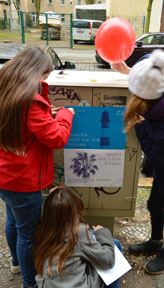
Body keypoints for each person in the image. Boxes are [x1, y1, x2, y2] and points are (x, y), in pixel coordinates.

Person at [0, 47, 74, 288]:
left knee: (13, 220)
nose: (45, 80)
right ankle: (30, 283)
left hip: (5, 175)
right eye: (44, 75)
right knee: (28, 235)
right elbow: (57, 138)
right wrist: (65, 114)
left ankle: (15, 263)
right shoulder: (30, 101)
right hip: (24, 180)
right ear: (35, 72)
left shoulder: (7, 90)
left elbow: (23, 126)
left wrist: (45, 114)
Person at [113, 49, 164, 274]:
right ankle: (155, 240)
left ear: (147, 98)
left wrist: (140, 127)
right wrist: (127, 71)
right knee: (154, 204)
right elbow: (146, 84)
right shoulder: (162, 92)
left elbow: (156, 156)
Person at [34, 186, 122, 288]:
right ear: (73, 209)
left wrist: (56, 199)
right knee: (115, 244)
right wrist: (101, 232)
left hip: (47, 284)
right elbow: (108, 261)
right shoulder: (79, 232)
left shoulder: (43, 228)